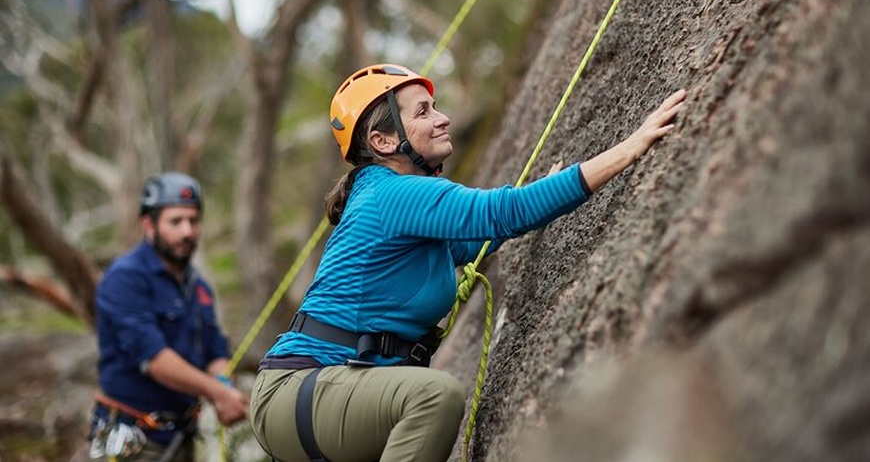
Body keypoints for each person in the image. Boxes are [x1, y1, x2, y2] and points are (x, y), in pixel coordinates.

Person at [249, 63, 686, 462]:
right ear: (383, 141)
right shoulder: (392, 194)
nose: (442, 118)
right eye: (422, 112)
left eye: (435, 107)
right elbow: (504, 213)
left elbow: (476, 240)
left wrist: (548, 193)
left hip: (323, 393)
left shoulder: (394, 202)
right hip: (301, 389)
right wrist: (630, 148)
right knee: (432, 396)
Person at [89, 172, 249, 461]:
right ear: (149, 226)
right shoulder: (124, 279)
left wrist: (224, 384)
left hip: (182, 437)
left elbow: (215, 350)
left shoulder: (198, 287)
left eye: (193, 220)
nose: (187, 231)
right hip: (134, 442)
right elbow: (154, 359)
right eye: (175, 221)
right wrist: (217, 393)